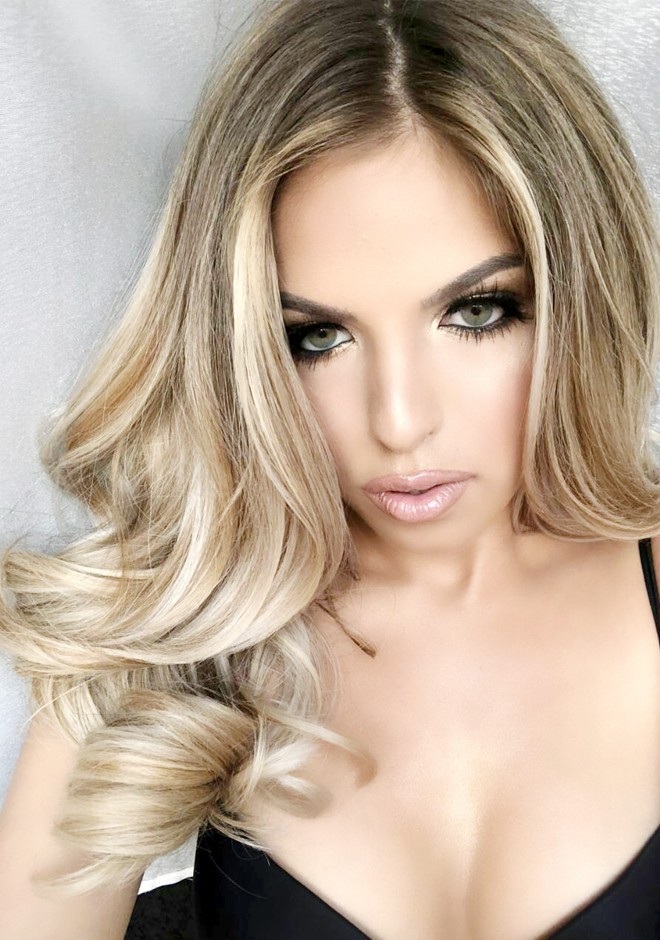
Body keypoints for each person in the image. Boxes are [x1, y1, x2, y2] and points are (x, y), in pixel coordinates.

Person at [0, 0, 658, 937]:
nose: (400, 421)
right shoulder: (167, 632)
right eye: (316, 337)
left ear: (582, 290)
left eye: (476, 312)